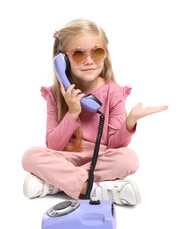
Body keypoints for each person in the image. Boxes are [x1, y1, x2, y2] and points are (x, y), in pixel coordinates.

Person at [22, 18, 168, 206]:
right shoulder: (54, 94)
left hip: (101, 158)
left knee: (128, 159)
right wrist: (73, 112)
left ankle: (57, 183)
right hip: (68, 158)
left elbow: (115, 144)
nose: (89, 61)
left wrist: (130, 121)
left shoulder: (114, 92)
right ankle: (92, 188)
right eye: (78, 54)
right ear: (63, 60)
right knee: (30, 156)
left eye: (97, 52)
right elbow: (53, 145)